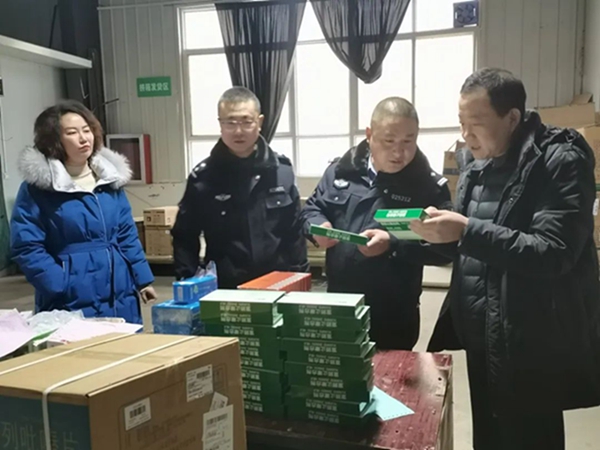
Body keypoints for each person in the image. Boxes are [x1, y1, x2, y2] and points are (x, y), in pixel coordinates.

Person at [411, 68, 600, 449]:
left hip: (530, 341)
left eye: (476, 124)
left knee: (529, 438)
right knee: (489, 437)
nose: (466, 135)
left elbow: (554, 251)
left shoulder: (559, 160)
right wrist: (420, 235)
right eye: (461, 123)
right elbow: (467, 245)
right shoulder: (476, 166)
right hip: (482, 337)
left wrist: (466, 230)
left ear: (512, 118)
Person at [301, 97, 452, 350]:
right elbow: (312, 208)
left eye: (408, 141)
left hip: (393, 314)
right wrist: (318, 228)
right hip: (341, 305)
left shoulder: (428, 186)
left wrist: (392, 244)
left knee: (391, 373)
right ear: (369, 135)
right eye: (389, 141)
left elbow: (446, 248)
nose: (399, 152)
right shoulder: (341, 171)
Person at [10, 100, 156, 324]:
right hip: (69, 298)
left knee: (124, 344)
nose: (83, 138)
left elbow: (126, 234)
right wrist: (59, 283)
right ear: (54, 140)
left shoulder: (109, 181)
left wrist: (142, 279)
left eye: (87, 130)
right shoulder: (38, 189)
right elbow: (26, 245)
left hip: (120, 291)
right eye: (72, 133)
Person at [171, 87, 308, 288]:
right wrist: (188, 281)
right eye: (230, 123)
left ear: (259, 122)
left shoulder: (281, 172)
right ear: (220, 124)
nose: (238, 131)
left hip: (277, 284)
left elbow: (294, 232)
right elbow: (185, 236)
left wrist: (300, 278)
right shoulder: (204, 178)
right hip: (226, 287)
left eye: (246, 122)